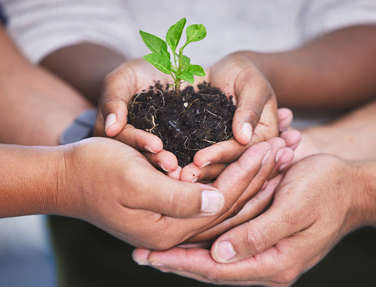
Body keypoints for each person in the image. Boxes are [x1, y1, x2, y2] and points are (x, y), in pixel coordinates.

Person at [2, 0, 376, 286]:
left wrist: (265, 74)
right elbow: (55, 14)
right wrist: (77, 153)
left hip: (339, 177)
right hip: (101, 211)